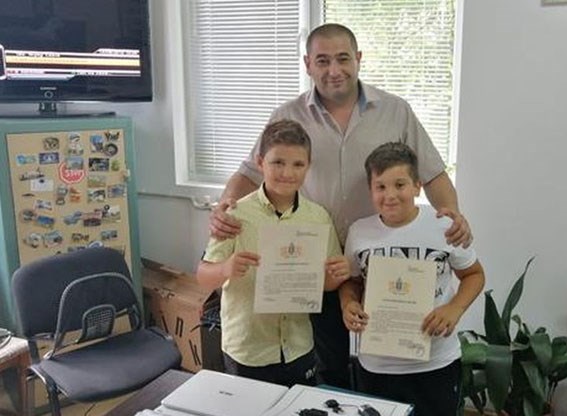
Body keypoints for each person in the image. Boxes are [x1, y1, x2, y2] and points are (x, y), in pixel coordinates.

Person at [209, 23, 473, 388]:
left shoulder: (395, 111)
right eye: (322, 60)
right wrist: (225, 205)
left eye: (343, 58)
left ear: (358, 59)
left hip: (380, 260)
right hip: (316, 266)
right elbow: (249, 173)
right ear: (308, 64)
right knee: (325, 361)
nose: (334, 69)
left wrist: (452, 219)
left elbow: (432, 174)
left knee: (386, 362)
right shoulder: (287, 115)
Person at [196, 119, 350, 387]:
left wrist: (337, 274)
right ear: (260, 162)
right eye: (278, 162)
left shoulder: (318, 217)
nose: (287, 173)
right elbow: (202, 276)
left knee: (297, 405)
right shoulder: (235, 214)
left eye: (298, 164)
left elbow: (325, 284)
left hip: (298, 346)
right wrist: (225, 268)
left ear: (308, 166)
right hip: (248, 347)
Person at [339, 142, 485, 416]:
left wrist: (455, 308)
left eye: (400, 185)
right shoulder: (359, 232)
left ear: (417, 186)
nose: (390, 195)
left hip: (436, 362)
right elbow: (352, 281)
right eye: (380, 187)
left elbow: (474, 274)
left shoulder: (445, 227)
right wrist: (348, 304)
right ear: (370, 190)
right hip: (376, 364)